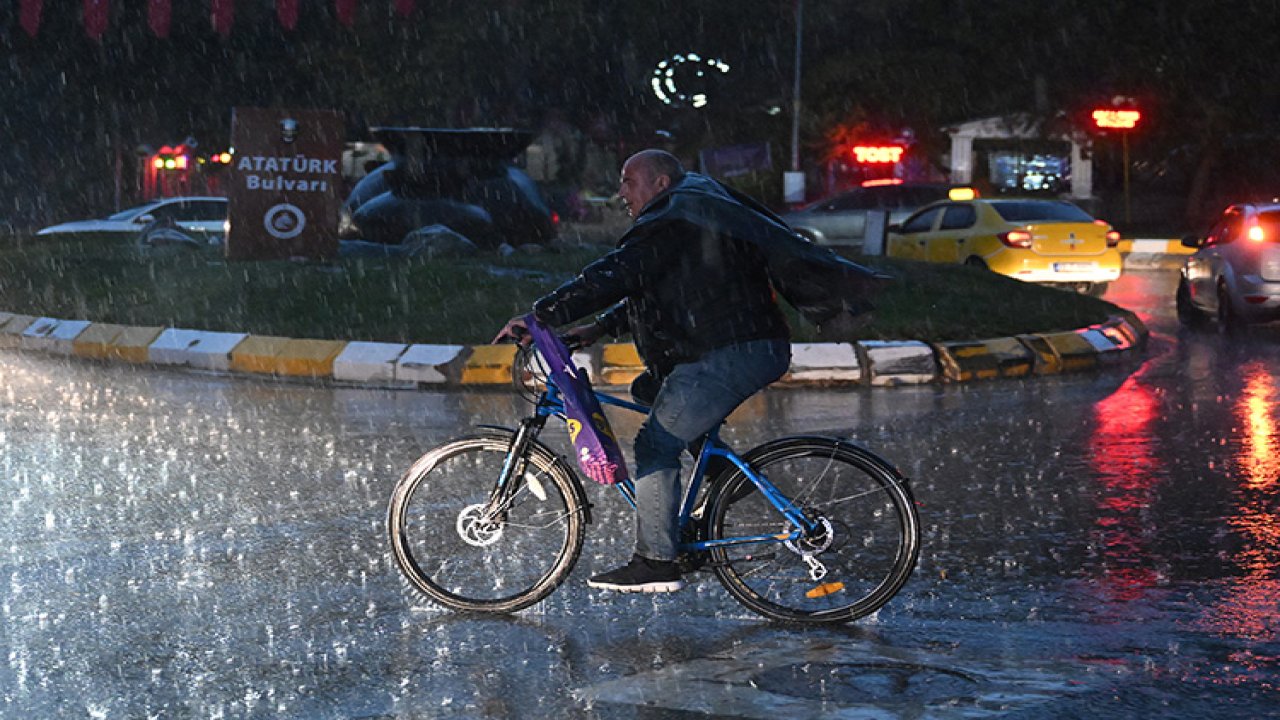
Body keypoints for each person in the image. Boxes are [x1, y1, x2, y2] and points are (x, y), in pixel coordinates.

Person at [494, 149, 793, 593]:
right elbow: (653, 290)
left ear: (660, 184)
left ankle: (656, 561)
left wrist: (542, 315)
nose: (621, 193)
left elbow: (615, 274)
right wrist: (597, 328)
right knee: (650, 390)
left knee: (655, 445)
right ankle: (723, 476)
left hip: (734, 351)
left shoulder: (669, 219)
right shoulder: (680, 220)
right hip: (740, 346)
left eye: (628, 182)